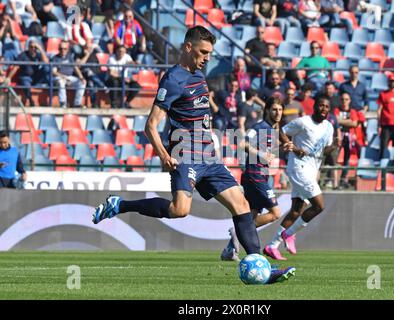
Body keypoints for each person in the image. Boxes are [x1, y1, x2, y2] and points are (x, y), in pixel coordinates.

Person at [92, 26, 295, 284]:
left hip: (208, 156)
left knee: (241, 205)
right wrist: (164, 155)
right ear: (188, 47)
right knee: (179, 210)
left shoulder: (199, 76)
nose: (207, 57)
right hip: (183, 153)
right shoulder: (173, 79)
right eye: (203, 52)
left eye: (210, 52)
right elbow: (150, 125)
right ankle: (119, 205)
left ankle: (261, 267)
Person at [264, 96, 337, 260]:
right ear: (314, 107)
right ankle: (288, 234)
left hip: (312, 170)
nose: (323, 108)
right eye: (320, 105)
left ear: (329, 110)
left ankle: (272, 245)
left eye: (326, 106)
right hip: (298, 167)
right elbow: (282, 131)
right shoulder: (303, 122)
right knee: (319, 205)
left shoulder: (329, 127)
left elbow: (322, 151)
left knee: (296, 210)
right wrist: (293, 147)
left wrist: (334, 147)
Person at [221, 97, 285, 261]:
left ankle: (230, 249)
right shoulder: (259, 127)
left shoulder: (272, 130)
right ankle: (238, 231)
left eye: (280, 110)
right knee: (275, 213)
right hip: (255, 176)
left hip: (260, 175)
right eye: (274, 109)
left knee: (250, 216)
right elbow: (243, 143)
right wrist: (261, 154)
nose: (278, 113)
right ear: (267, 110)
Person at [5, 38, 49, 107]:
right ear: (28, 47)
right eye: (31, 47)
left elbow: (46, 62)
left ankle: (50, 92)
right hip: (26, 77)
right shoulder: (23, 55)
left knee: (46, 68)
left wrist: (40, 48)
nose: (33, 49)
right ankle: (30, 100)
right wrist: (9, 77)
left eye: (35, 47)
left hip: (35, 78)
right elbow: (16, 67)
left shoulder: (38, 54)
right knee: (25, 82)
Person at [51, 40, 87, 108]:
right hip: (59, 77)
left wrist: (81, 77)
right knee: (61, 82)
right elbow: (54, 72)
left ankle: (77, 103)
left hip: (69, 77)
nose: (63, 50)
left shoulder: (70, 57)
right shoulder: (55, 58)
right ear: (58, 49)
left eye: (65, 49)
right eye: (61, 48)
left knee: (82, 82)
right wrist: (64, 77)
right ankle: (63, 103)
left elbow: (76, 68)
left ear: (67, 49)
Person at [334, 92, 359, 188]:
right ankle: (334, 180)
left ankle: (343, 179)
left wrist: (341, 121)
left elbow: (354, 124)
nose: (344, 101)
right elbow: (336, 121)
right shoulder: (337, 110)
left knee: (347, 159)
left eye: (346, 99)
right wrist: (348, 121)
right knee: (335, 158)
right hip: (338, 136)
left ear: (350, 100)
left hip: (349, 138)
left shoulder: (352, 111)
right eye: (342, 99)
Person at [106, 44, 141, 109]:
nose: (121, 53)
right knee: (114, 82)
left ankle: (126, 102)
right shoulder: (111, 59)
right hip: (113, 79)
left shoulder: (126, 56)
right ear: (116, 51)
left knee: (136, 86)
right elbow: (111, 73)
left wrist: (135, 63)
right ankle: (113, 103)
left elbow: (131, 62)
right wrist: (123, 78)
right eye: (120, 51)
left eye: (123, 52)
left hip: (123, 78)